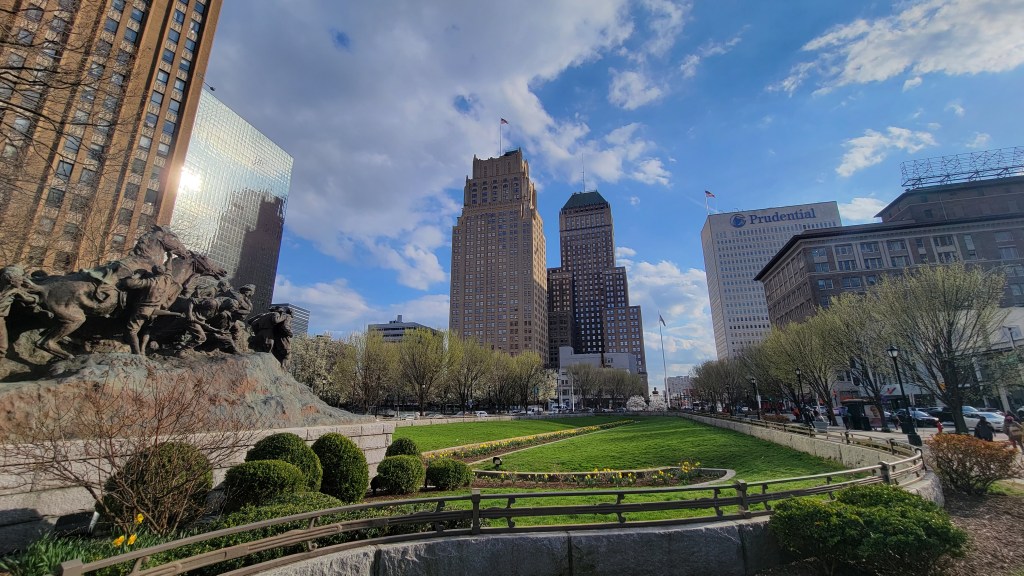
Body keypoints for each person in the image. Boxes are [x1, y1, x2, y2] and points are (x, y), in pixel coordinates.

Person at [120, 265, 177, 355]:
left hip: (143, 311)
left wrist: (138, 274)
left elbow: (129, 283)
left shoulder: (149, 281)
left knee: (132, 331)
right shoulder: (168, 279)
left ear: (153, 272)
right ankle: (143, 350)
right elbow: (169, 269)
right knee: (147, 330)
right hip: (156, 312)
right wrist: (170, 257)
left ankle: (137, 354)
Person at [0, 266, 50, 358]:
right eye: (20, 280)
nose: (22, 282)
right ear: (11, 281)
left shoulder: (16, 291)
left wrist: (42, 309)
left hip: (1, 320)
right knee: (2, 347)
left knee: (3, 347)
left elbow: (30, 299)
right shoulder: (12, 290)